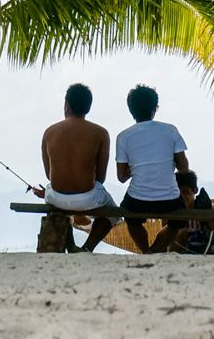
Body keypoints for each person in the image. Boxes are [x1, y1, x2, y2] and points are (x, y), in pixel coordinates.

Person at [33, 83, 119, 252]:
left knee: (60, 203)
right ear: (88, 107)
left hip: (56, 196)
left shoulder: (49, 132)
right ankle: (87, 248)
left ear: (66, 105)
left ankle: (70, 243)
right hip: (87, 197)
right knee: (113, 212)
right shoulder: (101, 133)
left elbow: (49, 175)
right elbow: (100, 178)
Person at [115, 85, 189, 253]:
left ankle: (146, 252)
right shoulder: (170, 130)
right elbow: (183, 168)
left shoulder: (123, 136)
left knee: (132, 219)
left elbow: (121, 177)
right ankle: (153, 252)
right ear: (155, 108)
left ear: (131, 109)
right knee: (178, 221)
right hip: (169, 198)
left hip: (137, 199)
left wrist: (137, 168)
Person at [169, 170, 214, 254]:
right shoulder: (174, 212)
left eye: (185, 192)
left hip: (208, 252)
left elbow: (212, 238)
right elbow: (171, 246)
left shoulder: (203, 209)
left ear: (195, 190)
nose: (182, 197)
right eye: (178, 192)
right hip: (184, 253)